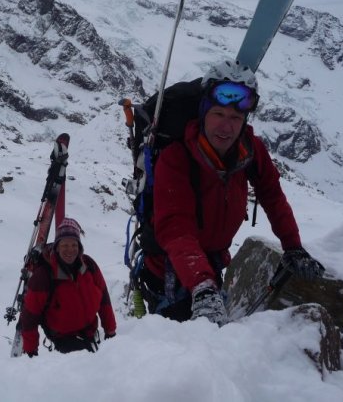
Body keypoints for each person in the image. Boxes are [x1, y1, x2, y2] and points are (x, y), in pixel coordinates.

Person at [140, 58, 325, 324]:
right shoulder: (176, 158)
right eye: (218, 115)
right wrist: (201, 286)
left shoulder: (250, 150)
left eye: (236, 118)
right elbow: (176, 227)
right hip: (169, 275)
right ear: (204, 112)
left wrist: (293, 246)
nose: (226, 127)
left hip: (210, 268)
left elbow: (271, 194)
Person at [21, 217, 117, 356]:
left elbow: (104, 299)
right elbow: (30, 315)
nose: (70, 250)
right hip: (64, 341)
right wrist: (31, 351)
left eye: (74, 245)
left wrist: (110, 329)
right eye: (65, 245)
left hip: (90, 334)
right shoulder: (44, 276)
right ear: (57, 247)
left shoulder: (89, 265)